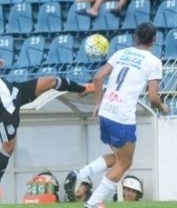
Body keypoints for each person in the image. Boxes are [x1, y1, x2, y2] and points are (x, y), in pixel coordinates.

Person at [0, 47, 90, 203]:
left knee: (51, 81)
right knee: (8, 146)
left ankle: (83, 89)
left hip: (15, 92)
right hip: (4, 112)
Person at [67, 22, 167, 208]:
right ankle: (92, 204)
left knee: (118, 157)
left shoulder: (121, 53)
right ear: (154, 39)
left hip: (106, 111)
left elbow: (98, 77)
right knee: (125, 163)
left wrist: (98, 103)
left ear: (135, 37)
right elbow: (153, 97)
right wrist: (163, 108)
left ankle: (80, 174)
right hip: (122, 116)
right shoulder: (154, 62)